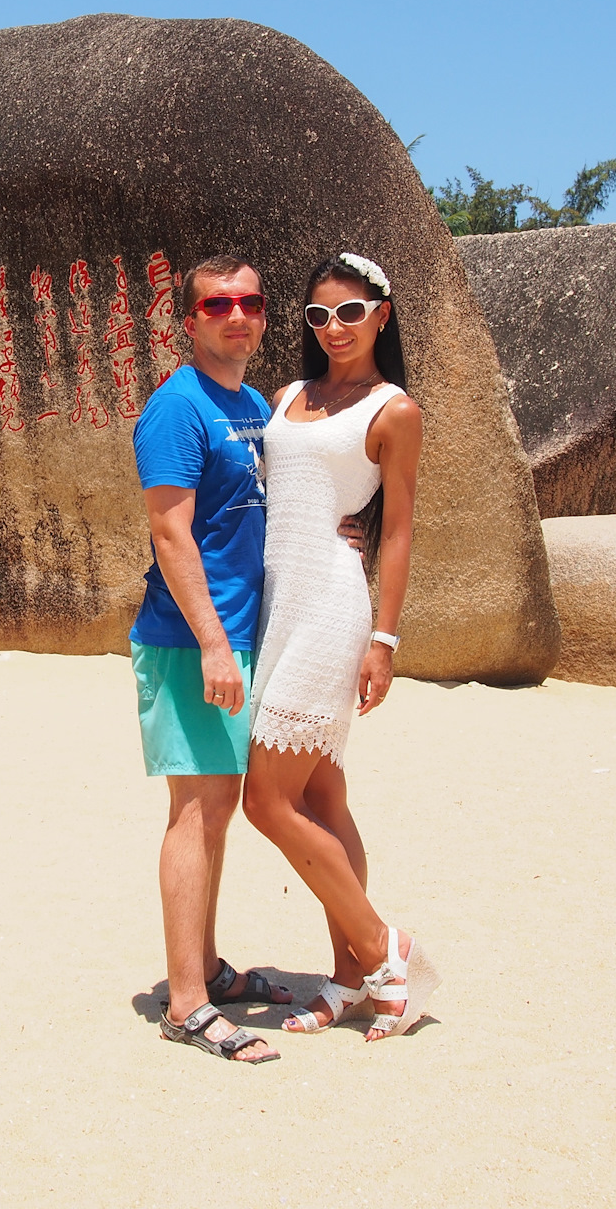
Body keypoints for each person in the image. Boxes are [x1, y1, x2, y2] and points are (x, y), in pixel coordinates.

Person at [242, 251, 440, 1043]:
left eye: (351, 313)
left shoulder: (394, 410)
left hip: (331, 606)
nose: (334, 329)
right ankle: (350, 981)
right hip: (275, 605)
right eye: (319, 316)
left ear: (382, 316)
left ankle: (384, 947)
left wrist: (384, 638)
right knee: (322, 797)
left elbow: (395, 530)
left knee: (268, 799)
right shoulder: (287, 394)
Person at [131, 254, 292, 1063]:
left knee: (218, 810)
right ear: (189, 322)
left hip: (237, 636)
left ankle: (206, 967)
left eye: (251, 302)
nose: (238, 315)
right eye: (219, 304)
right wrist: (214, 646)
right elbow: (171, 532)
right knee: (194, 812)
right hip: (194, 641)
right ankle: (186, 1003)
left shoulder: (251, 404)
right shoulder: (177, 408)